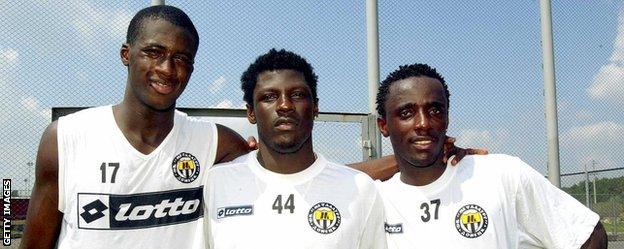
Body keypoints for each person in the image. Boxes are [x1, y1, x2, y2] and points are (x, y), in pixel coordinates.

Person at [19, 6, 252, 249]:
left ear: (192, 68)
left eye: (181, 58)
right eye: (153, 52)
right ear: (125, 54)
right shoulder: (65, 138)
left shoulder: (219, 145)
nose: (167, 69)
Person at [375, 63, 608, 248]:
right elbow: (338, 178)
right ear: (384, 126)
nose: (424, 123)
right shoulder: (374, 200)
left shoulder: (501, 174)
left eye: (435, 110)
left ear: (447, 117)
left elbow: (588, 235)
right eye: (406, 113)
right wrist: (400, 160)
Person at [203, 49, 387, 248]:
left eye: (297, 95)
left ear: (315, 107)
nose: (284, 105)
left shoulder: (360, 188)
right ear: (251, 112)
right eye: (269, 97)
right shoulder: (217, 182)